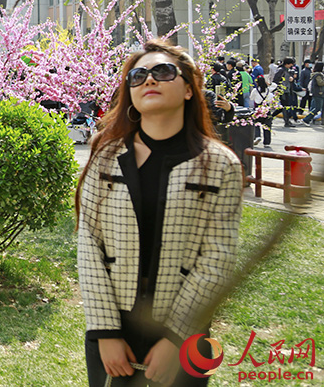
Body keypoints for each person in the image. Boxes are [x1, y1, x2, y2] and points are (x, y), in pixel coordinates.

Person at [76, 39, 243, 387]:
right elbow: (89, 242)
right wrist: (105, 331)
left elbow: (218, 257)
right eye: (137, 76)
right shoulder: (105, 155)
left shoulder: (220, 164)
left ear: (187, 88)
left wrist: (175, 338)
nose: (149, 80)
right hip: (114, 328)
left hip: (185, 329)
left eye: (163, 72)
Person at [250, 75, 276, 146]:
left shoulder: (255, 90)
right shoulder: (269, 91)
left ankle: (257, 136)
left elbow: (251, 98)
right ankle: (267, 142)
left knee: (256, 123)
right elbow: (275, 85)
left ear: (257, 83)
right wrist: (269, 84)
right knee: (267, 126)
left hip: (258, 109)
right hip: (266, 109)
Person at [273, 57, 298, 127]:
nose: (292, 65)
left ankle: (271, 117)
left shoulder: (287, 70)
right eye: (291, 64)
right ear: (287, 64)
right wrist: (278, 89)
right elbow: (275, 80)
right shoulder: (281, 70)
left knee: (284, 106)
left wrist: (291, 79)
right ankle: (286, 121)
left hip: (287, 90)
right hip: (282, 90)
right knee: (284, 106)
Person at [302, 61, 324, 125]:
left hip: (318, 93)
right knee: (317, 108)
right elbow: (320, 83)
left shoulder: (317, 74)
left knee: (314, 107)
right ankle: (306, 119)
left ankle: (311, 119)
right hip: (318, 93)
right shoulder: (318, 75)